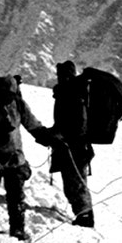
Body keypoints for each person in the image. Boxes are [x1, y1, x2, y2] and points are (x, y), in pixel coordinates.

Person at [0, 74, 52, 241]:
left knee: (15, 193)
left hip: (13, 156)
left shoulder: (18, 104)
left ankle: (17, 228)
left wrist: (46, 137)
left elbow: (32, 124)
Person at [48, 61, 96, 228]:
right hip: (77, 146)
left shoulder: (71, 93)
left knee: (75, 183)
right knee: (76, 182)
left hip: (73, 146)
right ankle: (84, 214)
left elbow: (77, 122)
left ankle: (85, 216)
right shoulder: (74, 91)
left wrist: (61, 134)